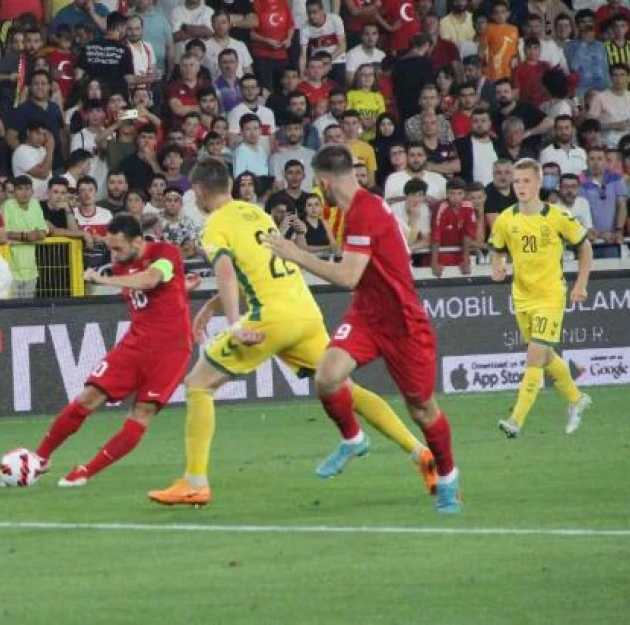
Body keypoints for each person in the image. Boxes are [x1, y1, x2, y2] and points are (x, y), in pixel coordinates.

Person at [148, 157, 437, 508]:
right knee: (345, 388)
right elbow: (255, 271)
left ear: (197, 191)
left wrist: (235, 323)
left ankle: (195, 482)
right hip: (304, 311)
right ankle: (419, 452)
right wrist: (211, 307)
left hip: (269, 318)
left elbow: (225, 272)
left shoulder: (214, 225)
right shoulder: (255, 213)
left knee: (198, 384)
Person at [264, 145, 462, 514]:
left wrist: (297, 255)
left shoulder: (362, 212)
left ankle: (449, 477)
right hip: (368, 315)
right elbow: (407, 235)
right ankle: (353, 439)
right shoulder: (363, 206)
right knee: (327, 376)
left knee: (422, 409)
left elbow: (348, 275)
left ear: (323, 181)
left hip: (403, 323)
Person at [32, 214, 194, 486]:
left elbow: (151, 280)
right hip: (135, 343)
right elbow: (157, 293)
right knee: (87, 397)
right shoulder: (121, 264)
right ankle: (40, 458)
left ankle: (86, 471)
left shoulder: (165, 253)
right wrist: (182, 286)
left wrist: (104, 281)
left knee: (141, 413)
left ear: (139, 241)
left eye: (119, 248)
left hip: (171, 350)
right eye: (110, 248)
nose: (114, 254)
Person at [489, 158, 593, 438]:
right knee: (545, 355)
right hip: (522, 296)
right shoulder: (505, 219)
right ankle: (576, 399)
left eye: (526, 181)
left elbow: (585, 248)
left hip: (550, 296)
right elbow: (497, 249)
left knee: (534, 355)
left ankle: (516, 420)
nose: (520, 186)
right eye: (517, 181)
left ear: (537, 183)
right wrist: (496, 264)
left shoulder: (556, 216)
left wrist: (580, 285)